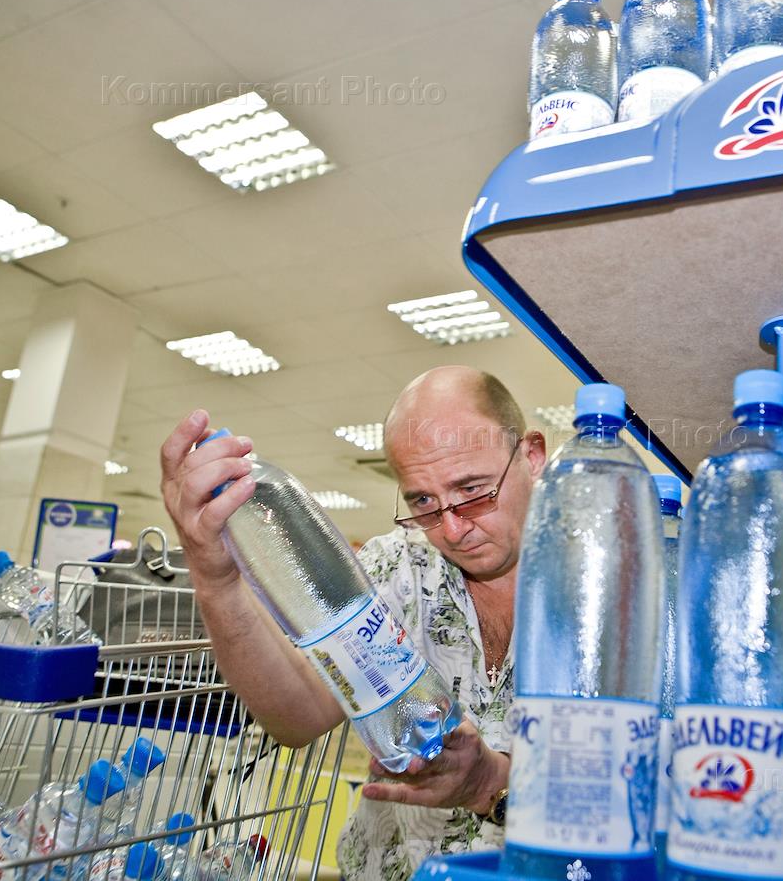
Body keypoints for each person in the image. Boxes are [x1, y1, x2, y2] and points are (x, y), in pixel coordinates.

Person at [159, 366, 548, 881]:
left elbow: (655, 789)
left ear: (532, 456)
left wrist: (490, 783)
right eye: (423, 502)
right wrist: (214, 580)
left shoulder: (620, 588)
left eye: (474, 490)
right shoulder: (396, 567)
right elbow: (296, 719)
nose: (452, 529)